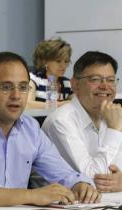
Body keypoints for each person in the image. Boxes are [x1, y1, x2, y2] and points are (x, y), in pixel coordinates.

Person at [0, 51, 100, 207]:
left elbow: (62, 172)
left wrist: (80, 185)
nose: (16, 95)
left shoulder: (30, 128)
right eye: (6, 87)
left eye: (23, 87)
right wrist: (32, 195)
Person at [42, 51, 122, 192]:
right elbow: (91, 179)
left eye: (110, 80)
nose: (104, 86)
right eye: (95, 79)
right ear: (75, 84)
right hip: (63, 208)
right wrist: (114, 130)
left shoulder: (115, 116)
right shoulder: (61, 121)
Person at [28, 38, 72, 108]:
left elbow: (76, 104)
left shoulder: (66, 82)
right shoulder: (34, 79)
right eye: (58, 61)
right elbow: (27, 105)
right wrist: (59, 105)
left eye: (66, 61)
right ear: (45, 61)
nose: (63, 66)